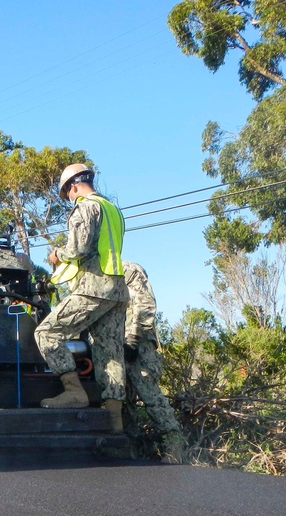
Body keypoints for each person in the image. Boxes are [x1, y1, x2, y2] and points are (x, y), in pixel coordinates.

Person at [34, 164, 128, 431]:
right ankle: (114, 420)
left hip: (94, 286)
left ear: (72, 186)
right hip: (117, 289)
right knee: (110, 353)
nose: (69, 199)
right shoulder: (113, 208)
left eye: (67, 194)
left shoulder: (85, 206)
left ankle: (74, 392)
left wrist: (56, 255)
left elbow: (79, 248)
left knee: (47, 333)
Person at [122, 261, 184, 464]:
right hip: (112, 345)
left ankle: (174, 444)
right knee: (122, 398)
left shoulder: (127, 269)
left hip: (138, 343)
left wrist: (133, 338)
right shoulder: (92, 274)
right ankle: (130, 448)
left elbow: (145, 303)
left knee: (147, 390)